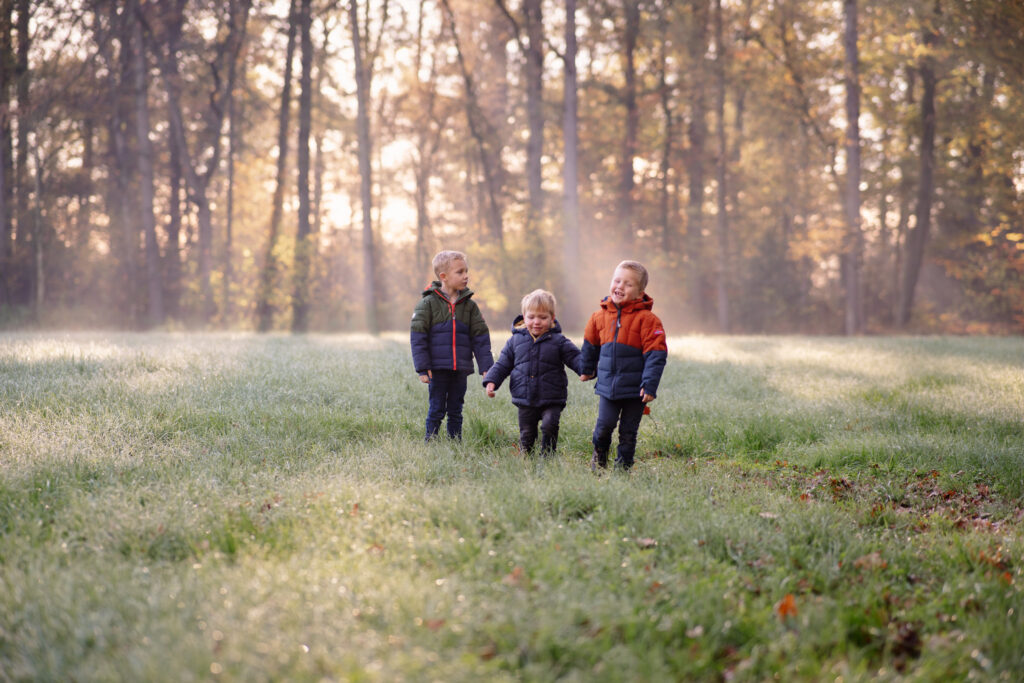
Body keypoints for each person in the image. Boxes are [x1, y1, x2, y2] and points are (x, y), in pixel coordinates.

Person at [580, 260, 667, 472]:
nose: (620, 286)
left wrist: (649, 385)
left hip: (635, 390)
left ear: (640, 292)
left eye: (628, 284)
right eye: (617, 280)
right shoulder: (598, 317)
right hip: (608, 387)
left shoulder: (648, 320)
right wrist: (586, 369)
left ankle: (623, 469)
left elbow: (656, 354)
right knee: (604, 427)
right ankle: (599, 462)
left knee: (628, 432)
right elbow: (590, 345)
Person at [483, 289, 582, 456]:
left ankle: (548, 455)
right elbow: (502, 363)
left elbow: (576, 358)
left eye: (543, 317)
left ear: (552, 318)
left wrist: (586, 370)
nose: (536, 322)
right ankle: (527, 458)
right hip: (525, 396)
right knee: (527, 433)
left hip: (552, 397)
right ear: (524, 316)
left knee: (549, 425)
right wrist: (491, 381)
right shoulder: (515, 341)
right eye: (531, 317)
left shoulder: (559, 341)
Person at [410, 250, 493, 441]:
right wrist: (423, 368)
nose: (466, 276)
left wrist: (487, 368)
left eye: (466, 271)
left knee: (456, 408)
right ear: (444, 277)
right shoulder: (427, 303)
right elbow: (418, 338)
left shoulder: (470, 306)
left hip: (460, 368)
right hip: (437, 369)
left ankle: (455, 441)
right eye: (460, 272)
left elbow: (480, 338)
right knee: (437, 406)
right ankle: (430, 440)